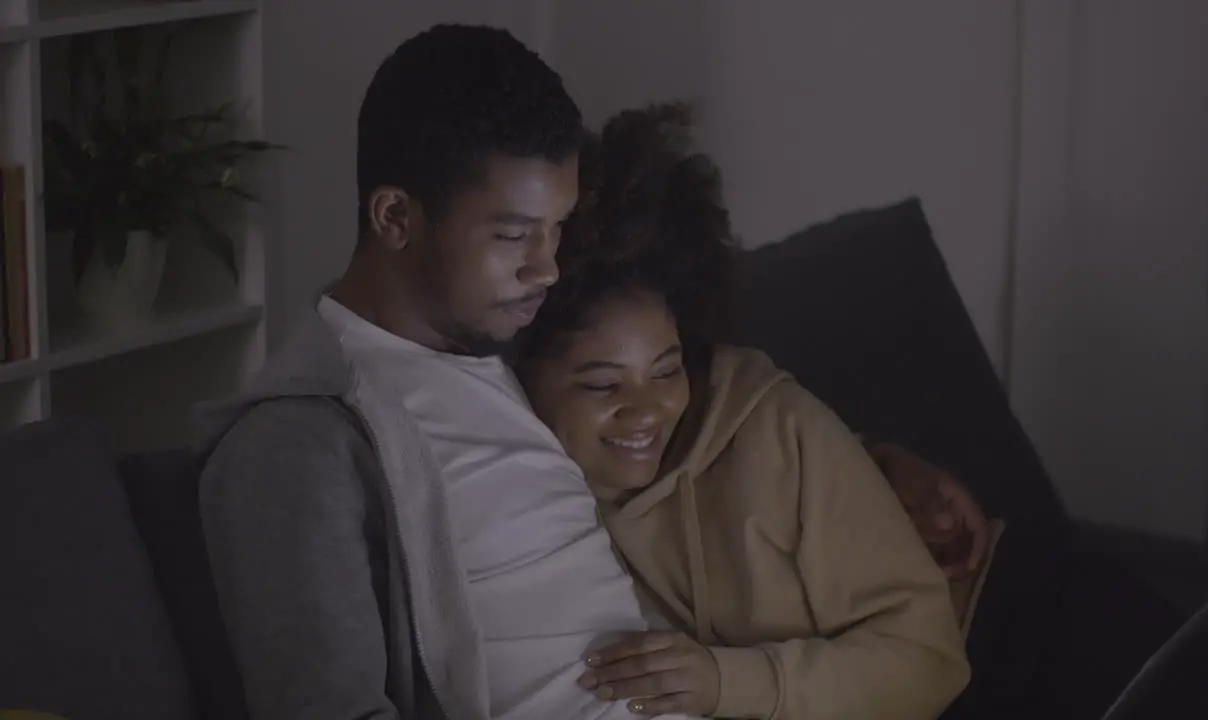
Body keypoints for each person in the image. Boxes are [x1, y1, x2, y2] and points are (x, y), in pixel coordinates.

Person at [196, 27, 695, 720]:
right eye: (513, 235)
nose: (546, 266)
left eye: (557, 229)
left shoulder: (523, 348)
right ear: (395, 215)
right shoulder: (294, 446)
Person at [514, 103, 974, 718]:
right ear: (522, 379)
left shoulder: (779, 433)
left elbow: (930, 661)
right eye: (602, 387)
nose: (647, 411)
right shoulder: (520, 488)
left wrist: (728, 682)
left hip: (1016, 637)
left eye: (667, 369)